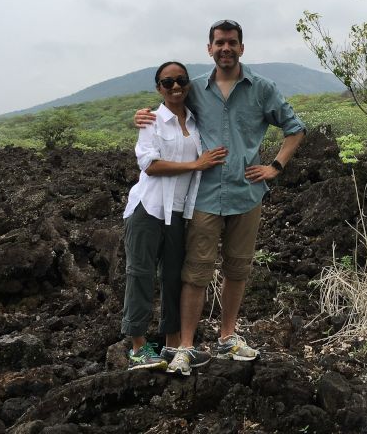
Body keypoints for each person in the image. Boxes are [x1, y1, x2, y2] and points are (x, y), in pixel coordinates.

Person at [135, 19, 305, 376]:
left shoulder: (262, 89)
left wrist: (275, 165)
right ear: (209, 49)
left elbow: (295, 129)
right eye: (219, 43)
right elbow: (170, 104)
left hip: (246, 193)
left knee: (237, 268)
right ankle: (186, 346)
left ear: (241, 48)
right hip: (205, 194)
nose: (225, 48)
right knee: (196, 271)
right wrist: (142, 115)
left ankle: (228, 337)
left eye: (231, 42)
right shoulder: (195, 88)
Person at [121, 61, 228, 370]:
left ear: (188, 84)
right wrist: (196, 165)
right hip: (149, 208)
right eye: (168, 82)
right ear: (159, 88)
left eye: (181, 80)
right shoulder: (151, 121)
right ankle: (138, 345)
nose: (175, 86)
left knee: (173, 277)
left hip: (180, 211)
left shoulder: (195, 122)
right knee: (140, 273)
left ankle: (171, 345)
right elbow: (149, 165)